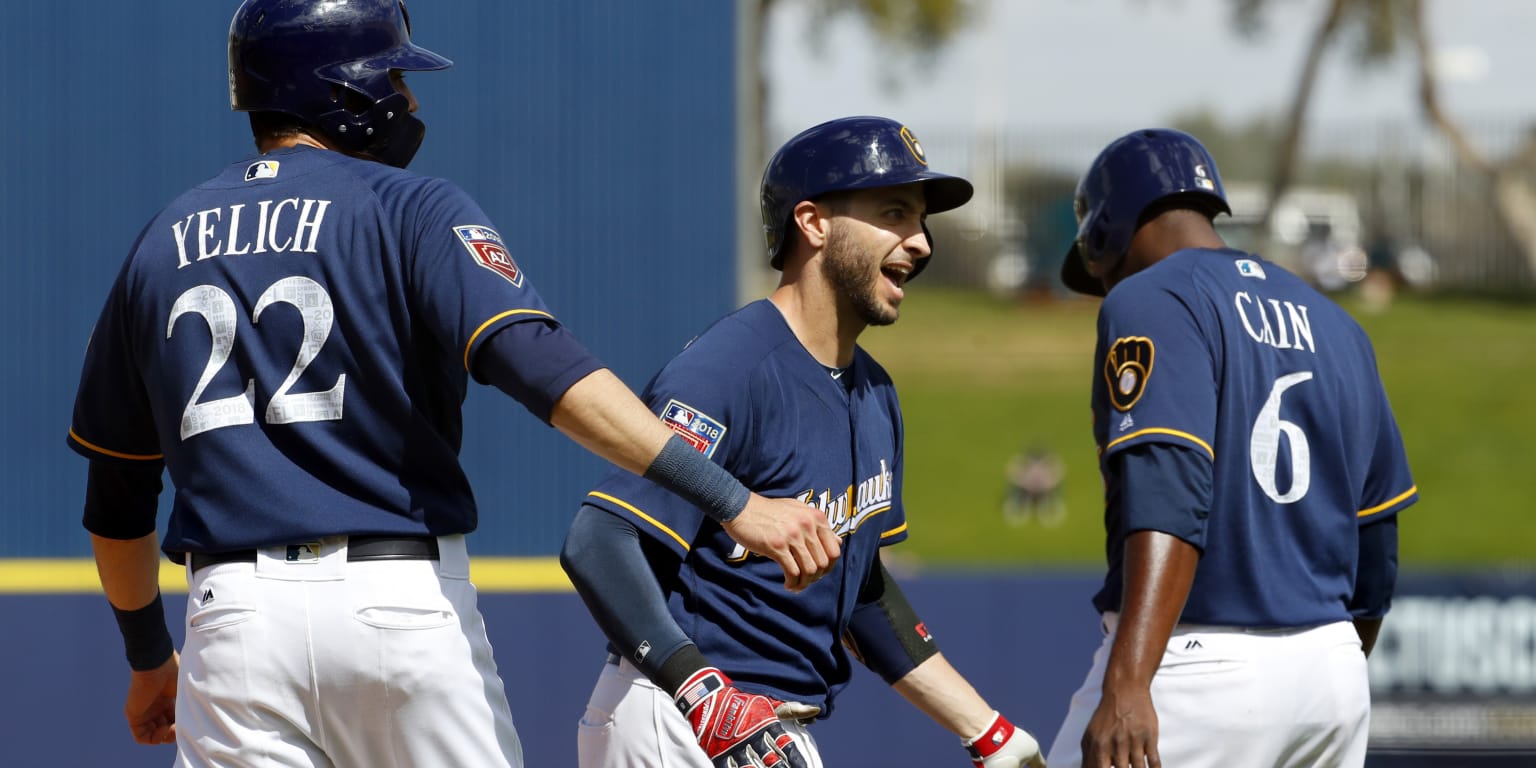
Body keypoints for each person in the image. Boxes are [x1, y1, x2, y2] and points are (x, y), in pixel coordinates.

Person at [66, 1, 840, 765]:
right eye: (392, 79)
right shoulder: (408, 206)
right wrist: (733, 500)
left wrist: (146, 660)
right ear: (342, 92)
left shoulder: (163, 241)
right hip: (392, 605)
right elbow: (543, 369)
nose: (406, 101)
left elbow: (117, 498)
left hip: (230, 624)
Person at [560, 116, 1048, 768]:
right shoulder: (728, 369)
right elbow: (600, 540)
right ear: (813, 224)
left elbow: (862, 593)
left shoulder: (875, 392)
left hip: (771, 728)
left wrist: (990, 733)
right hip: (684, 717)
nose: (921, 242)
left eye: (922, 219)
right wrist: (706, 698)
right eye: (895, 213)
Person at [1047, 128, 1418, 768]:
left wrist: (1130, 682)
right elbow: (1376, 534)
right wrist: (1325, 666)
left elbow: (1168, 491)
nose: (1103, 286)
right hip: (1332, 672)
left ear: (1105, 232)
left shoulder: (1152, 295)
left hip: (1198, 665)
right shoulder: (1337, 323)